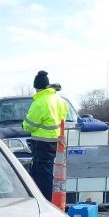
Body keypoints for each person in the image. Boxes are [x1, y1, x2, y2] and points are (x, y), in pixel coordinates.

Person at [22, 70, 68, 201]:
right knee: (44, 172)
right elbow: (62, 119)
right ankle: (45, 199)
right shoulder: (60, 101)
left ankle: (45, 201)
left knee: (42, 175)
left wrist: (24, 125)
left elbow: (30, 125)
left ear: (36, 87)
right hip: (55, 141)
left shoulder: (40, 102)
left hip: (42, 143)